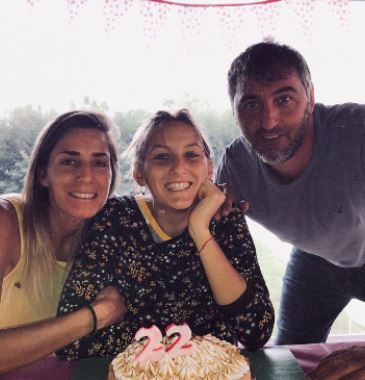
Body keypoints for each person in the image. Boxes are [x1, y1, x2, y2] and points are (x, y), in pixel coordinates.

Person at [57, 109, 274, 360]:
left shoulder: (224, 218)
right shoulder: (114, 220)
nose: (179, 167)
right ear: (139, 172)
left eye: (191, 155)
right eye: (162, 157)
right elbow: (73, 341)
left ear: (209, 167)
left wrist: (200, 231)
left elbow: (256, 331)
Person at [216, 41, 365, 345]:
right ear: (234, 110)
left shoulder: (357, 131)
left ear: (310, 97)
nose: (269, 121)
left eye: (284, 99)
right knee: (290, 355)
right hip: (315, 258)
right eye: (252, 104)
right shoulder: (234, 172)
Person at [0, 110, 127, 374]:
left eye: (100, 163)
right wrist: (94, 316)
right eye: (70, 162)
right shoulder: (6, 223)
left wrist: (214, 203)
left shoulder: (112, 233)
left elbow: (166, 211)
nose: (86, 176)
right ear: (43, 174)